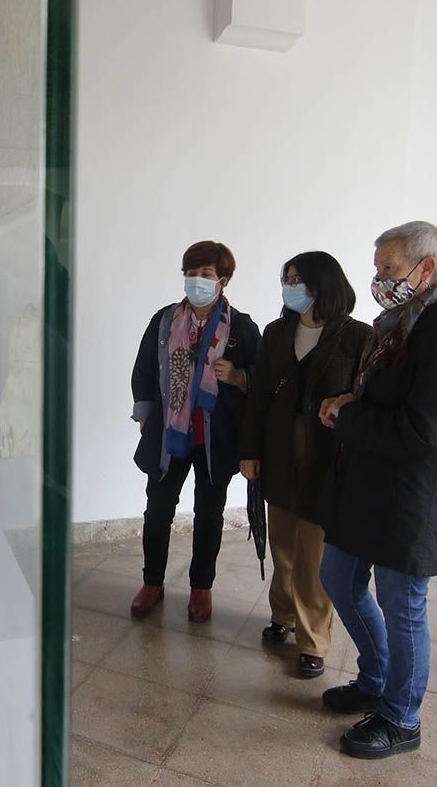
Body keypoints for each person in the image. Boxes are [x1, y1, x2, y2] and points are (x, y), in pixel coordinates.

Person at [316, 221, 437, 759]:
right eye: (378, 268)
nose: (379, 279)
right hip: (371, 483)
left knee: (402, 603)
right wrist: (348, 402)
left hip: (417, 495)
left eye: (388, 269)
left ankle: (401, 716)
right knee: (338, 578)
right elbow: (383, 396)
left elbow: (421, 430)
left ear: (425, 268)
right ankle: (374, 680)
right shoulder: (396, 325)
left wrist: (346, 421)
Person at [238, 252, 370, 678]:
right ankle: (284, 615)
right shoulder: (277, 332)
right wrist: (249, 451)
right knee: (282, 542)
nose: (289, 286)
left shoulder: (356, 337)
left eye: (297, 279)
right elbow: (258, 397)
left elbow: (361, 401)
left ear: (321, 284)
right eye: (287, 279)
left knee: (313, 552)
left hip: (325, 459)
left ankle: (313, 640)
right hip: (278, 451)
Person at [130, 241, 262, 622]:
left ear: (223, 280)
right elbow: (143, 370)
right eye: (190, 274)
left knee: (209, 514)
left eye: (205, 275)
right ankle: (152, 582)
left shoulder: (241, 328)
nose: (196, 281)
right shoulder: (165, 320)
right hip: (170, 438)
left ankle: (201, 588)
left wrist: (237, 375)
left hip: (214, 440)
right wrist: (146, 417)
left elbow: (262, 379)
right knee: (157, 511)